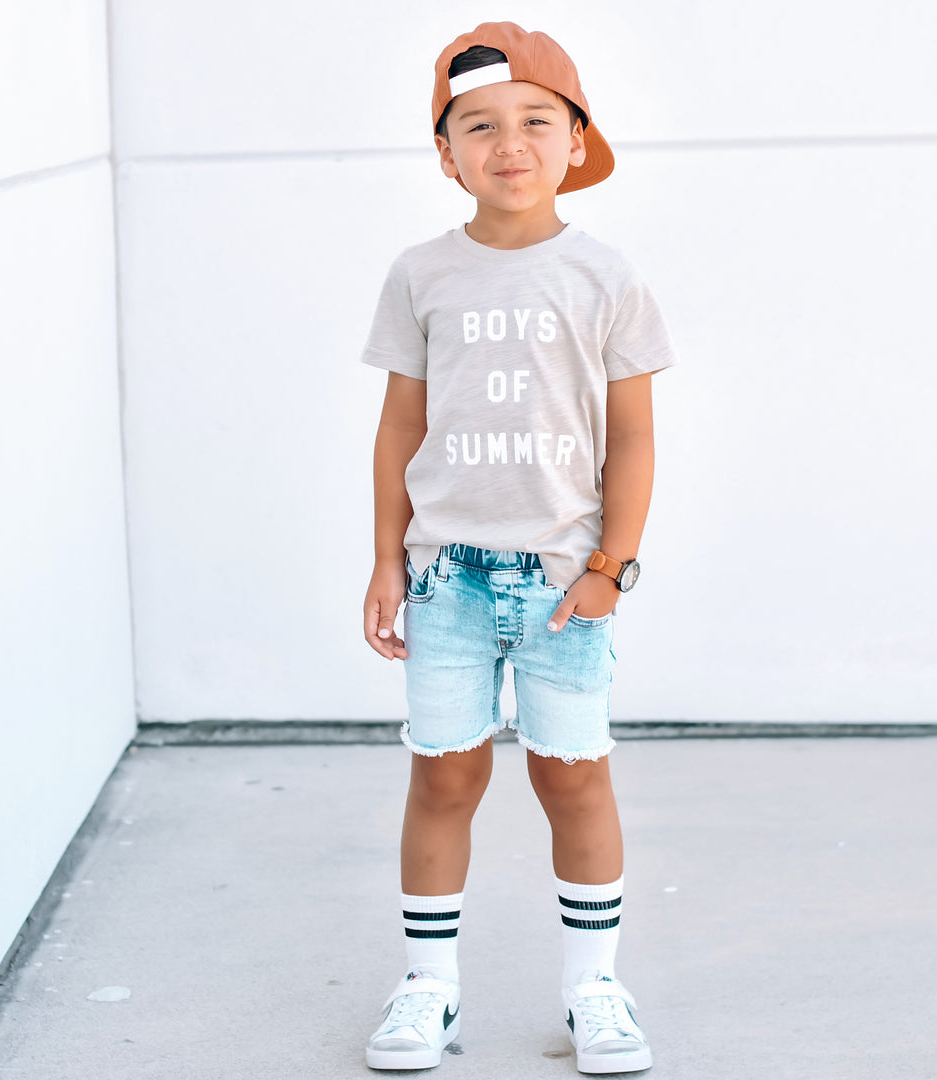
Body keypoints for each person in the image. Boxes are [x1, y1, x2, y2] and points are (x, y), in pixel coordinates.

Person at [360, 21, 677, 1074]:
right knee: (443, 780)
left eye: (537, 121)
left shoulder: (604, 277)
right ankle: (427, 989)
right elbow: (400, 427)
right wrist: (385, 559)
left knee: (572, 778)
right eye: (478, 126)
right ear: (445, 151)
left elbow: (630, 435)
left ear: (576, 138)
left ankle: (595, 988)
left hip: (560, 583)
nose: (510, 144)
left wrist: (609, 567)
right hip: (448, 576)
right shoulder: (420, 275)